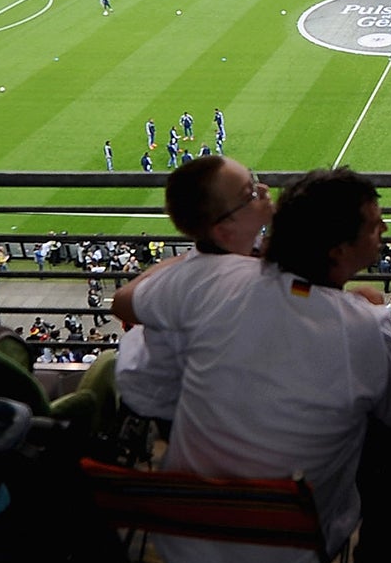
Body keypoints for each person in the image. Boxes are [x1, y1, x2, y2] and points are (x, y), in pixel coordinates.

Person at [111, 168, 391, 563]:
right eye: (372, 224)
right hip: (289, 550)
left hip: (183, 535)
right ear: (338, 251)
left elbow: (127, 302)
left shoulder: (211, 278)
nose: (383, 228)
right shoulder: (360, 327)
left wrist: (195, 258)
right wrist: (366, 312)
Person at [112, 154, 274, 421]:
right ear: (223, 231)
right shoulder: (193, 282)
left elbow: (125, 300)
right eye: (250, 194)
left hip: (155, 387)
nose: (264, 191)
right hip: (158, 407)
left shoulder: (188, 274)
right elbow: (122, 303)